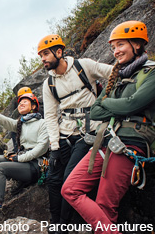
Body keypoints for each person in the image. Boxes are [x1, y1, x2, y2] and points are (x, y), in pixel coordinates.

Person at [62, 20, 155, 233]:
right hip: (105, 141)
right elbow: (95, 111)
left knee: (105, 206)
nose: (115, 51)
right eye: (113, 47)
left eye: (120, 45)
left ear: (137, 45)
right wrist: (119, 107)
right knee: (70, 189)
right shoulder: (117, 77)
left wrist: (109, 104)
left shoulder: (151, 73)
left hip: (131, 142)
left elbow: (134, 104)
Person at [39, 34, 113, 230]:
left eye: (46, 54)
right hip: (65, 133)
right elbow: (50, 116)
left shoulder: (84, 66)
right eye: (41, 56)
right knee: (53, 180)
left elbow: (113, 73)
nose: (43, 59)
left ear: (59, 52)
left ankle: (64, 225)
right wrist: (54, 147)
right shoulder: (49, 84)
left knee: (69, 178)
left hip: (89, 132)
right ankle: (56, 223)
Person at [0, 93, 50, 223]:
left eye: (25, 102)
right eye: (20, 102)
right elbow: (4, 120)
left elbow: (41, 148)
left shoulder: (43, 123)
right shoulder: (21, 124)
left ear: (34, 106)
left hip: (35, 165)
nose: (21, 104)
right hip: (24, 160)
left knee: (0, 168)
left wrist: (19, 159)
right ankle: (20, 179)